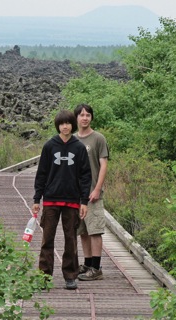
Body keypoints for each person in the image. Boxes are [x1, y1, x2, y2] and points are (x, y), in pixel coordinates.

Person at [32, 109, 92, 290]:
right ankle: (44, 276)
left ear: (72, 125)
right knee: (47, 239)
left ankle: (70, 275)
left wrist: (84, 201)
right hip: (51, 199)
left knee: (70, 239)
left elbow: (85, 176)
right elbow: (41, 173)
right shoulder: (50, 146)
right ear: (58, 125)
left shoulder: (79, 147)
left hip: (72, 200)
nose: (65, 126)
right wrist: (37, 198)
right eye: (62, 123)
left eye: (68, 123)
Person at [74, 104, 109, 281]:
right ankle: (87, 264)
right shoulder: (72, 139)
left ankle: (96, 268)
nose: (85, 118)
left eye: (88, 115)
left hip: (93, 193)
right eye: (81, 115)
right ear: (76, 118)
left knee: (95, 230)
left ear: (91, 118)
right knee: (83, 231)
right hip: (77, 194)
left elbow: (103, 164)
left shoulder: (98, 139)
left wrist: (97, 189)